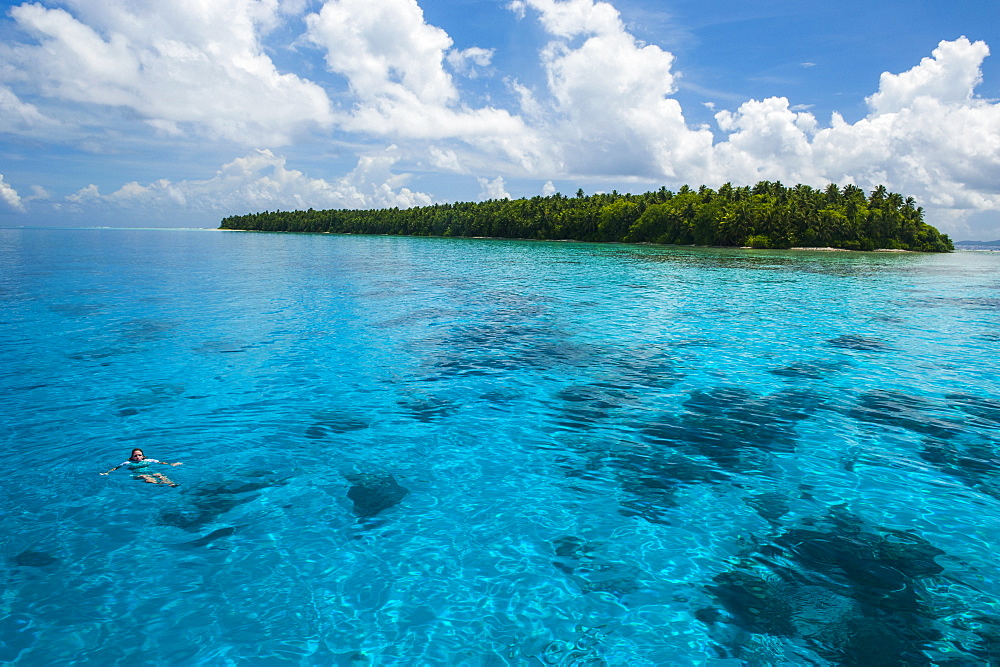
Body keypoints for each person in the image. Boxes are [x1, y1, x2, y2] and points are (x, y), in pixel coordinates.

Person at [101, 448, 183, 486]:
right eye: (135, 455)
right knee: (145, 476)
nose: (137, 457)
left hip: (150, 471)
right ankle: (158, 484)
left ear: (143, 456)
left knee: (159, 474)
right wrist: (107, 472)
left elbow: (161, 462)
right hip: (137, 474)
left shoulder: (149, 460)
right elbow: (116, 468)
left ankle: (171, 484)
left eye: (139, 455)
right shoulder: (127, 462)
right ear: (132, 457)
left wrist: (171, 464)